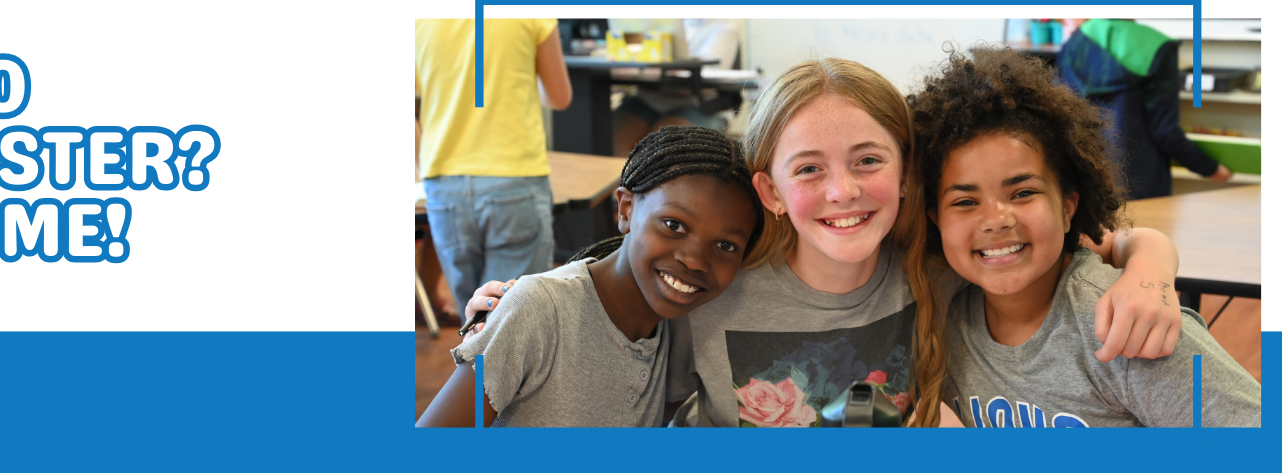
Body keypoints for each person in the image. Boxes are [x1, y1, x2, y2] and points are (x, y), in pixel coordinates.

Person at [466, 57, 1190, 428]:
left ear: (909, 173)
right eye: (810, 169)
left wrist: (1149, 258)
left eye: (868, 160)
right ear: (771, 191)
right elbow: (630, 288)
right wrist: (521, 300)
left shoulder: (937, 266)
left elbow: (1086, 237)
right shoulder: (718, 282)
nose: (842, 191)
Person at [911, 48, 1260, 427]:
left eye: (1023, 192)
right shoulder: (942, 309)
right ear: (936, 219)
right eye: (965, 201)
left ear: (1067, 208)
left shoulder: (1126, 326)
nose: (995, 220)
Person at [415, 126, 763, 427]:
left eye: (725, 245)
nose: (695, 260)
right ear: (626, 209)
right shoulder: (539, 311)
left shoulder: (675, 331)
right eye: (674, 225)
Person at [414, 18, 571, 322]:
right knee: (515, 321)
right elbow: (559, 96)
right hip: (513, 179)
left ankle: (479, 371)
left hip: (444, 185)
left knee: (474, 322)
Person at [1058, 19, 1232, 200]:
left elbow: (1063, 114)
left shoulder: (1076, 41)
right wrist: (1210, 168)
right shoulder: (1156, 47)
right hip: (1140, 183)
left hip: (1086, 179)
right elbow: (1165, 132)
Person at [612, 19, 743, 157]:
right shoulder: (659, 18)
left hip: (700, 105)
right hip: (649, 99)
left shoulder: (725, 25)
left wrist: (649, 72)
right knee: (610, 147)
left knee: (655, 155)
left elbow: (707, 78)